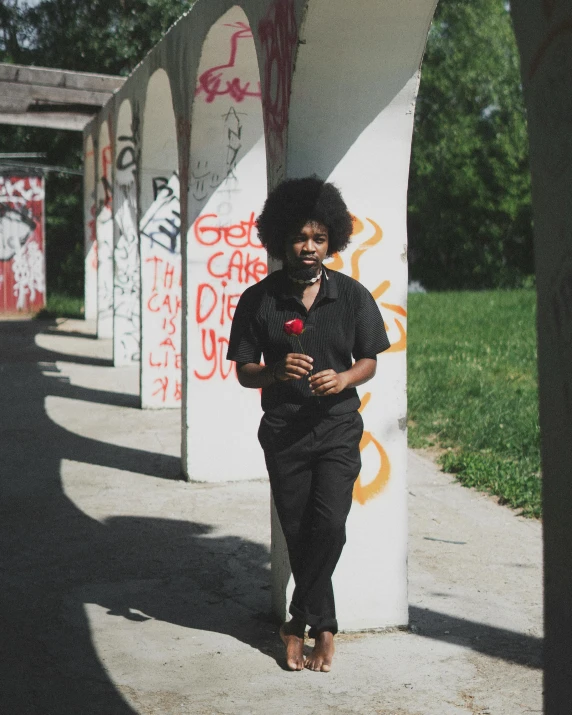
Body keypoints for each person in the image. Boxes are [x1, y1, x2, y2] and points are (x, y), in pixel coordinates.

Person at [227, 177, 390, 672]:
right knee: (299, 531)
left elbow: (371, 360)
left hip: (338, 428)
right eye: (300, 238)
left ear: (332, 241)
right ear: (281, 240)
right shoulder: (259, 300)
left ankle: (299, 621)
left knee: (331, 527)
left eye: (320, 239)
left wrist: (343, 380)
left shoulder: (353, 296)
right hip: (283, 431)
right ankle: (321, 628)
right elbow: (243, 371)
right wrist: (274, 372)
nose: (310, 248)